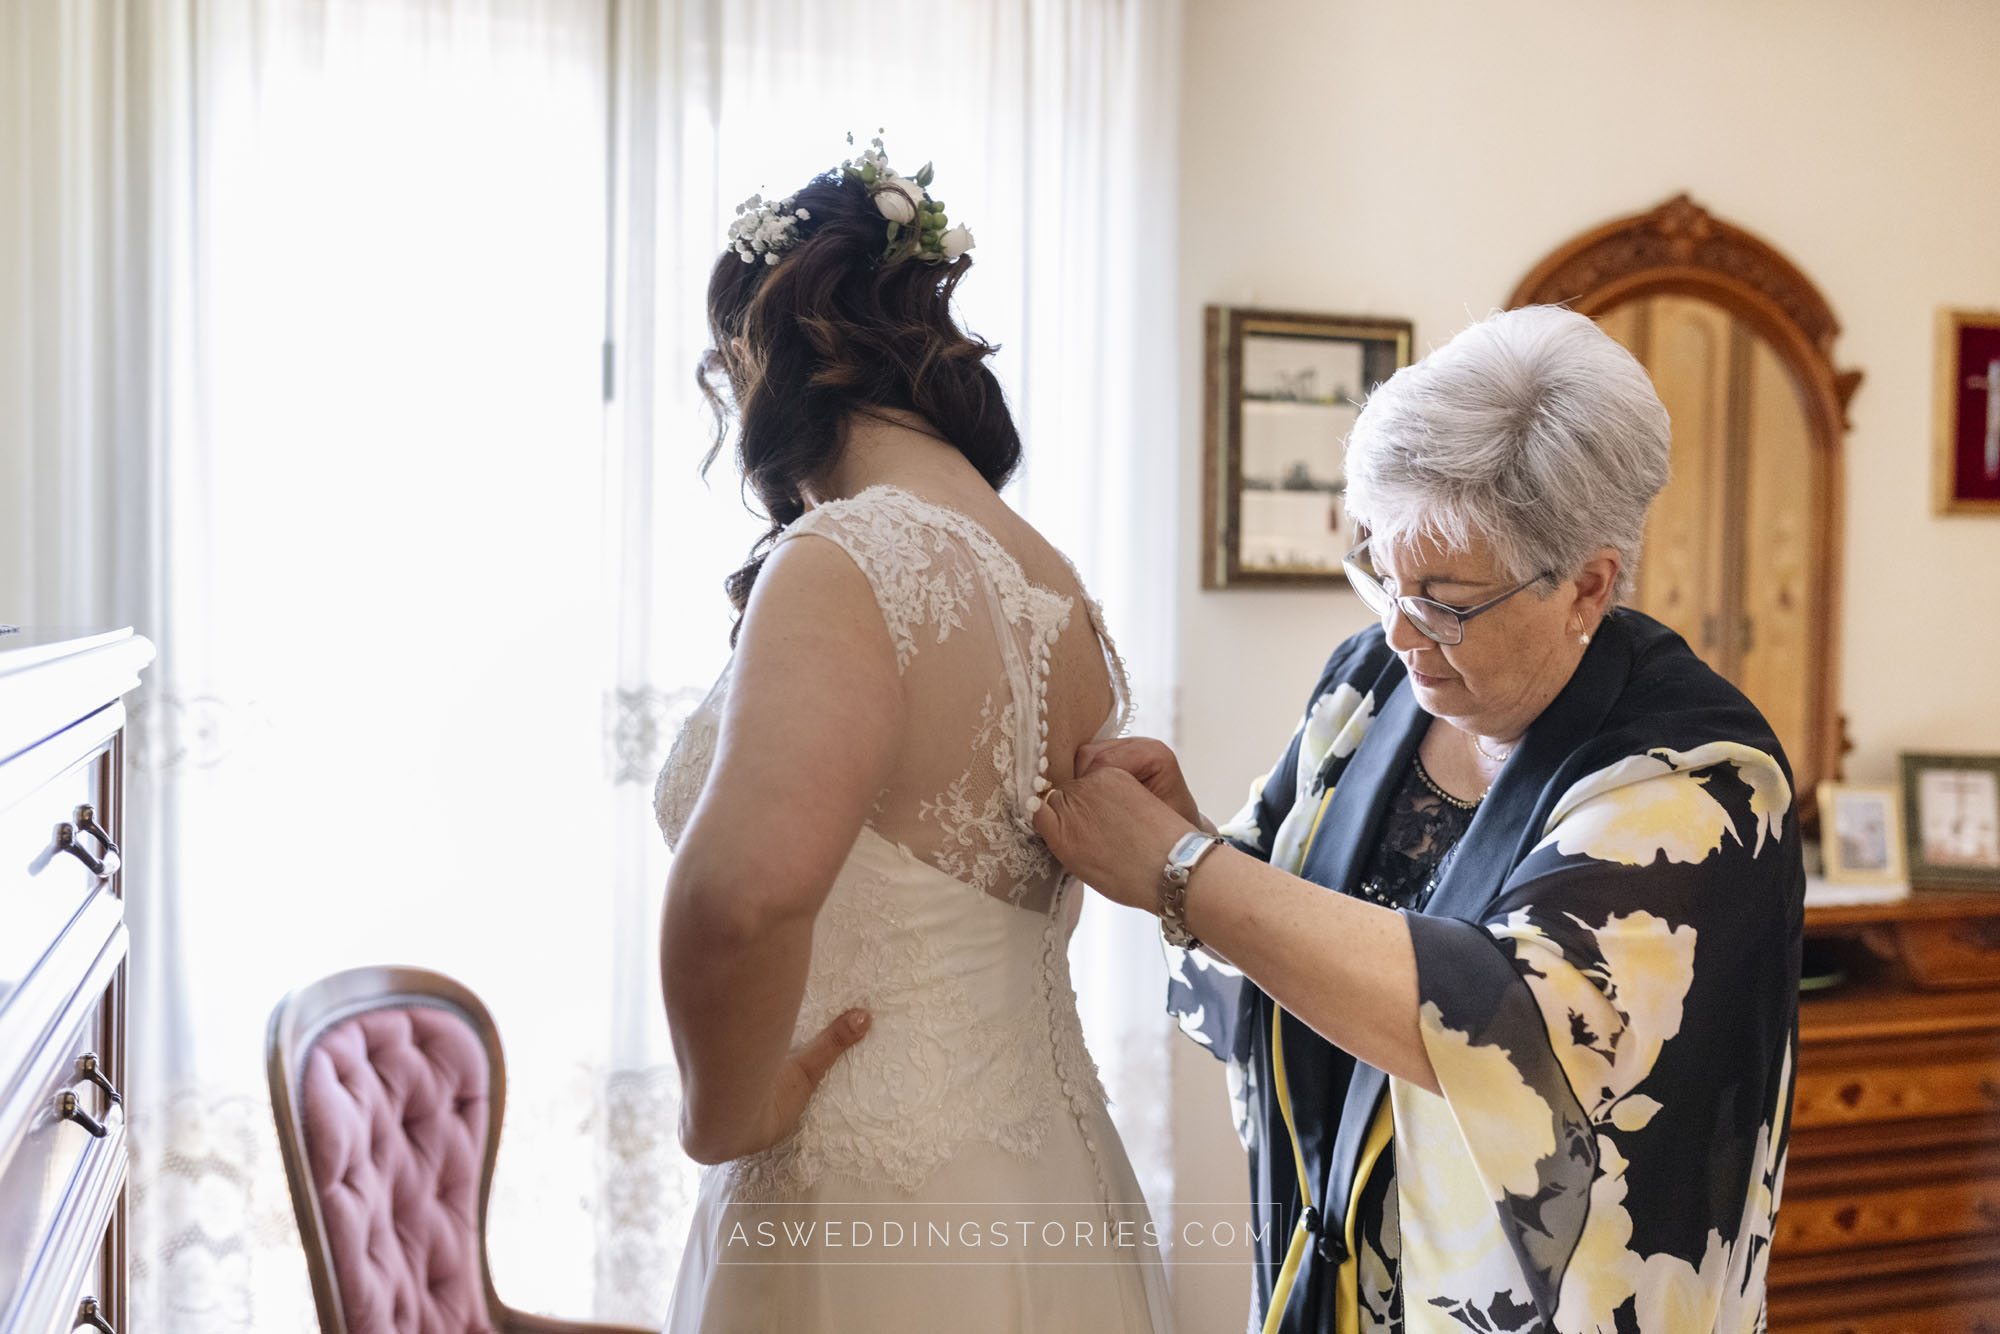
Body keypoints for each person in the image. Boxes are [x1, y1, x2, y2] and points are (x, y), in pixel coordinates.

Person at [1034, 306, 1804, 1334]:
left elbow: (1496, 1029)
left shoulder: (1696, 779)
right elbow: (1258, 949)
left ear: (1585, 584)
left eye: (1443, 596)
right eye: (1379, 570)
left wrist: (1186, 870)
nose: (1397, 627)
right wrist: (1192, 838)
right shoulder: (1365, 689)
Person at [653, 139, 1170, 1333]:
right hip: (1055, 1182)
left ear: (764, 360)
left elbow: (739, 891)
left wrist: (717, 1116)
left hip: (866, 1205)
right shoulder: (1057, 588)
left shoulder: (847, 558)